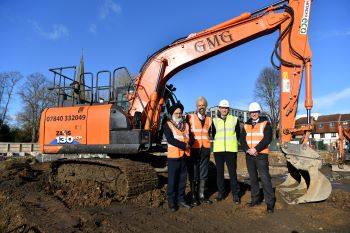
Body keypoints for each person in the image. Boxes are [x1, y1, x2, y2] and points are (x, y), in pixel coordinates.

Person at [240, 101, 276, 214]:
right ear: (250, 113)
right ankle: (255, 199)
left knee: (265, 178)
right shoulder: (246, 124)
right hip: (249, 155)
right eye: (252, 112)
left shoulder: (265, 123)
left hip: (261, 155)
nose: (254, 114)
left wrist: (256, 149)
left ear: (259, 112)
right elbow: (242, 139)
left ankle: (270, 203)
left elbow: (267, 138)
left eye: (255, 112)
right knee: (253, 178)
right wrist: (247, 149)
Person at [163, 102, 194, 212]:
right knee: (172, 180)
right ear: (172, 114)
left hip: (185, 156)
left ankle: (181, 199)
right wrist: (184, 145)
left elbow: (191, 137)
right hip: (174, 157)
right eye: (177, 113)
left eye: (180, 113)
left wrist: (189, 143)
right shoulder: (168, 125)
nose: (179, 115)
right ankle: (172, 201)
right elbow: (170, 139)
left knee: (182, 180)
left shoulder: (186, 125)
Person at [212, 99, 241, 205]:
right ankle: (221, 193)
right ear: (219, 109)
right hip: (218, 151)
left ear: (228, 109)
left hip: (231, 150)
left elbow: (238, 134)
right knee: (219, 173)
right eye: (222, 108)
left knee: (232, 173)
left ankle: (235, 194)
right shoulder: (214, 121)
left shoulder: (235, 119)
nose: (224, 110)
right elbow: (213, 134)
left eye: (226, 108)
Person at [186, 96, 213, 206]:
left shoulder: (210, 119)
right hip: (194, 150)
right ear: (196, 107)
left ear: (206, 106)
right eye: (199, 105)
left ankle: (201, 195)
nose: (201, 107)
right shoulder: (189, 117)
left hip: (205, 149)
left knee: (203, 173)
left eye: (203, 105)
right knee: (193, 173)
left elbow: (210, 133)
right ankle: (193, 196)